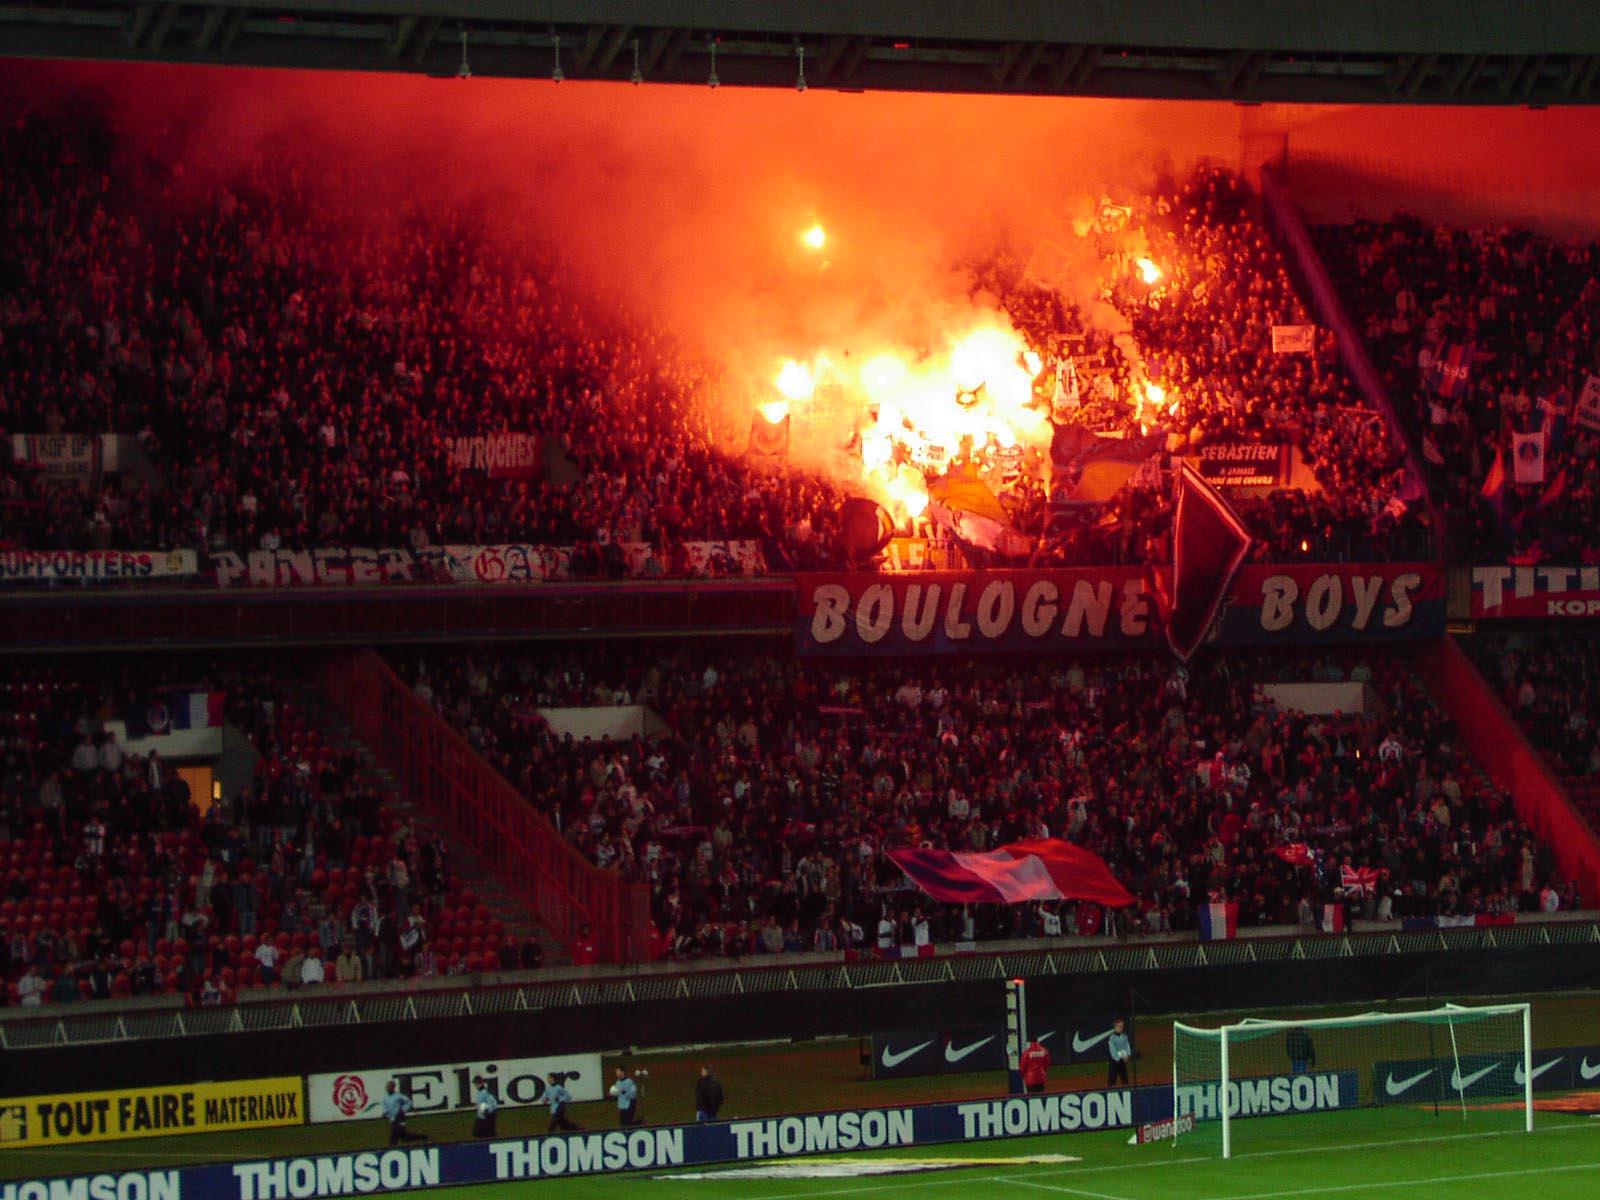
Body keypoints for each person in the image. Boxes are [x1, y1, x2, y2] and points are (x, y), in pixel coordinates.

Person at [381, 1080, 427, 1146]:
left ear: (393, 1087)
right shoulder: (385, 1098)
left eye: (389, 1086)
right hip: (392, 1120)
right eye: (387, 1086)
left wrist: (403, 1110)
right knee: (405, 1138)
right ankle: (423, 1137)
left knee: (393, 1138)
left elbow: (409, 1102)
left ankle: (392, 1147)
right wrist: (384, 1113)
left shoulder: (398, 1096)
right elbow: (385, 1107)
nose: (387, 1088)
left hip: (399, 1118)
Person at [1107, 1018, 1133, 1087]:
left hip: (1123, 1060)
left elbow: (1127, 1046)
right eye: (1120, 1026)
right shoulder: (1112, 1038)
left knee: (1125, 1079)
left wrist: (1127, 1055)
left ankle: (1126, 1089)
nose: (1122, 1028)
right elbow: (1112, 1050)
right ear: (1115, 1027)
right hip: (1114, 1061)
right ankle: (1111, 1090)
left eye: (1122, 1026)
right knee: (1112, 1079)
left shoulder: (1124, 1036)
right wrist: (1118, 1057)